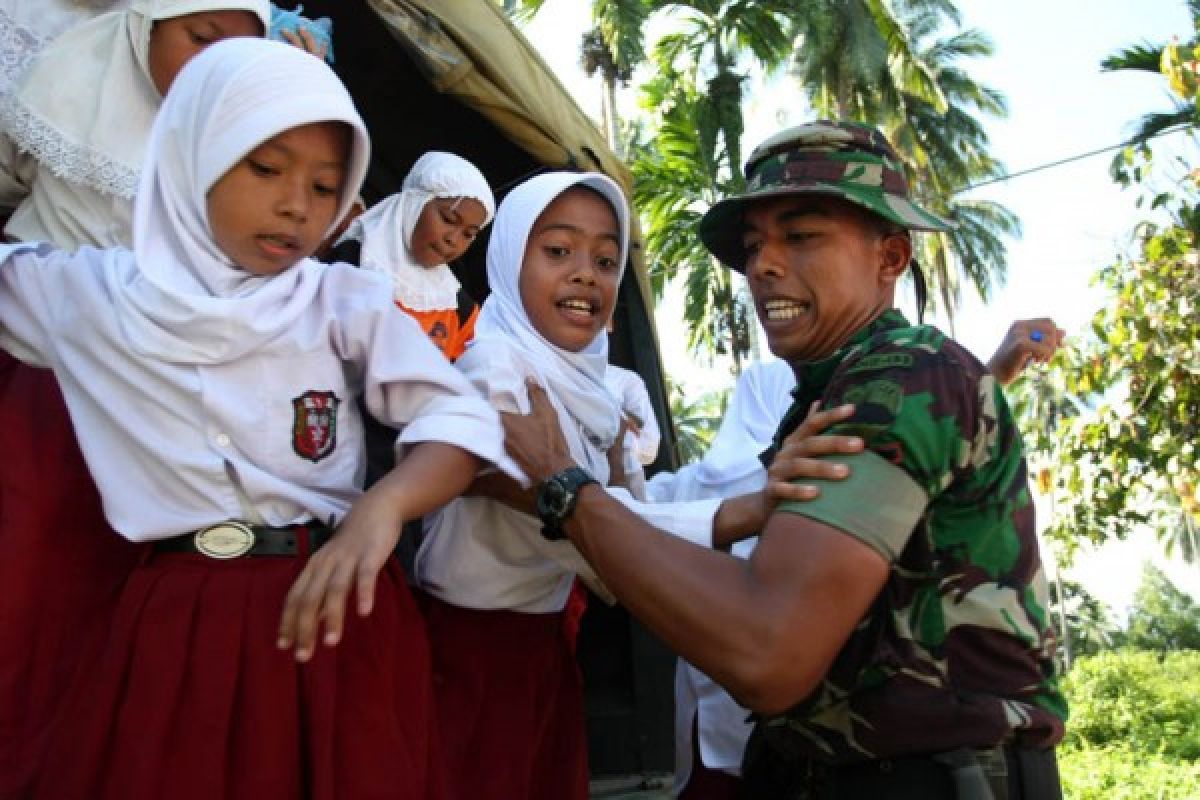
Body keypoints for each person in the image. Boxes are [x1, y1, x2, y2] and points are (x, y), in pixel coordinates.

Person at [0, 38, 508, 800]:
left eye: (326, 185)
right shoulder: (88, 295)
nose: (296, 204)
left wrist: (385, 508)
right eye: (265, 168)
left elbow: (460, 422)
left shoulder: (341, 301)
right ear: (191, 153)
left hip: (332, 604)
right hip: (178, 622)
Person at [500, 121, 1066, 799]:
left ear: (890, 257)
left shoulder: (901, 376)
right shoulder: (832, 391)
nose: (762, 266)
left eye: (801, 236)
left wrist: (564, 487)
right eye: (753, 245)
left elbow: (767, 651)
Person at [411, 171, 805, 800]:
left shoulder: (593, 388)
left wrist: (621, 462)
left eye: (605, 258)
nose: (585, 275)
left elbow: (618, 516)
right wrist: (747, 512)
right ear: (510, 257)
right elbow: (590, 524)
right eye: (558, 251)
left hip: (540, 646)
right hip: (469, 653)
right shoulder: (496, 366)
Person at [0, 4, 269, 797]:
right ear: (145, 24)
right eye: (198, 36)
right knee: (28, 603)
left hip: (162, 409)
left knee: (132, 618)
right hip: (46, 394)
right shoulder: (58, 81)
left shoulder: (239, 140)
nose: (208, 67)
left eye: (234, 53)